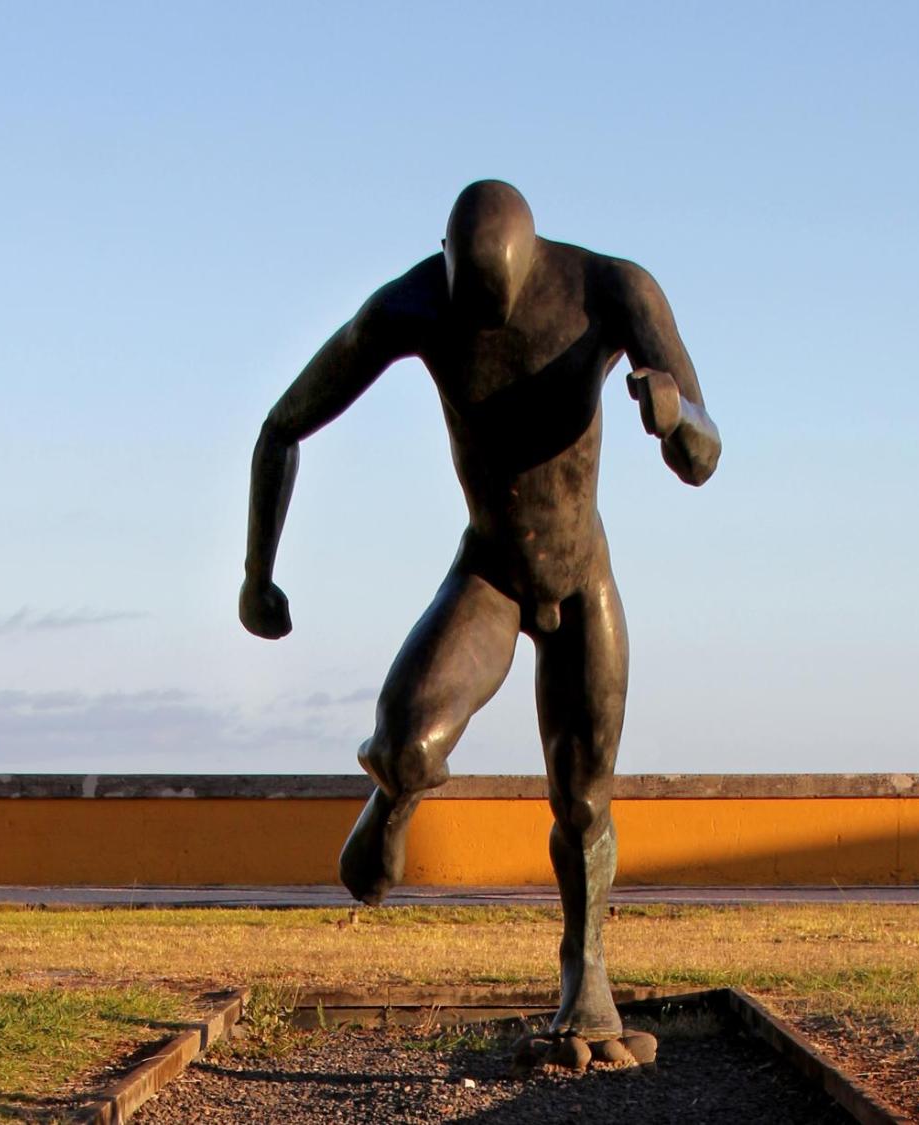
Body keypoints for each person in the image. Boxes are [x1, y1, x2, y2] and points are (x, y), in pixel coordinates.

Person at [240, 180, 721, 1038]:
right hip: (490, 574)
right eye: (473, 306)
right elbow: (283, 425)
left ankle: (585, 971)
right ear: (446, 264)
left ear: (534, 259)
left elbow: (703, 456)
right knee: (405, 740)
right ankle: (395, 792)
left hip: (580, 579)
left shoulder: (612, 289)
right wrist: (257, 573)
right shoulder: (414, 305)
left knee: (582, 800)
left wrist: (673, 415)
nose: (487, 323)